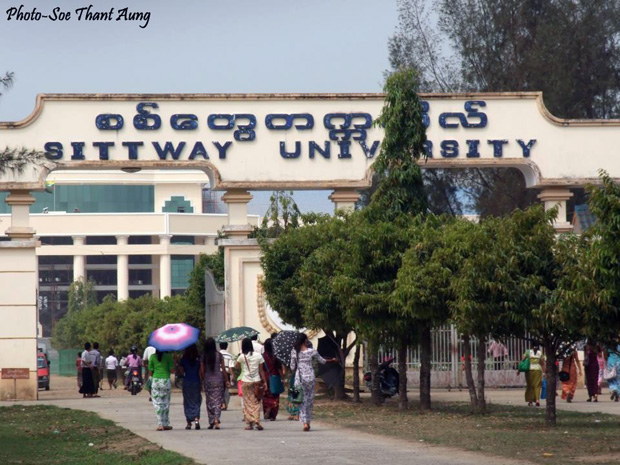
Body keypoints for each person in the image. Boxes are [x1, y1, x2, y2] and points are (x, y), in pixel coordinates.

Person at [290, 333, 338, 431]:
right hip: (310, 378)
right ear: (305, 341)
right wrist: (332, 360)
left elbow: (292, 367)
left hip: (299, 378)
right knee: (309, 400)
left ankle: (304, 422)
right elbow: (322, 361)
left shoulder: (294, 352)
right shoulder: (312, 351)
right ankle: (308, 421)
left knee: (301, 400)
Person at [235, 337, 268, 431]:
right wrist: (264, 381)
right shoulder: (258, 356)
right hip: (256, 381)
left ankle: (249, 423)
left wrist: (240, 359)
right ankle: (256, 419)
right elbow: (261, 370)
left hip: (245, 381)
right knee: (256, 401)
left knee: (247, 402)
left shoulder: (242, 356)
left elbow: (236, 366)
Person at [200, 337, 229, 429]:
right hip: (219, 380)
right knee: (218, 400)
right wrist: (226, 380)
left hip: (208, 380)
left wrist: (202, 379)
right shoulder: (219, 355)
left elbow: (202, 369)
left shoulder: (204, 356)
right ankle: (217, 418)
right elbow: (223, 369)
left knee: (209, 401)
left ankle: (211, 420)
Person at [148, 348, 174, 431]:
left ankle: (160, 424)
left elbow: (150, 372)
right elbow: (172, 370)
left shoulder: (152, 357)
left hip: (156, 381)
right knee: (166, 403)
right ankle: (166, 424)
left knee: (157, 403)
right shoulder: (169, 357)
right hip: (166, 381)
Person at [179, 344, 202, 430]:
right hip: (196, 381)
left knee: (187, 401)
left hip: (187, 382)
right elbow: (201, 371)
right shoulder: (198, 359)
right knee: (196, 400)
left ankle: (189, 422)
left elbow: (181, 371)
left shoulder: (184, 359)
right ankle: (196, 419)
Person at [262, 338, 284, 421]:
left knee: (266, 396)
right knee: (275, 395)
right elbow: (279, 368)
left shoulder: (262, 356)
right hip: (275, 377)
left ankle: (267, 408)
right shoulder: (276, 356)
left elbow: (260, 368)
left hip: (265, 377)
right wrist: (282, 378)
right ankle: (273, 414)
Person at [522, 342, 544, 407]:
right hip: (538, 370)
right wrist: (545, 372)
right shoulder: (540, 353)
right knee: (537, 386)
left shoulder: (528, 352)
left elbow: (523, 360)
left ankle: (530, 401)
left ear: (531, 346)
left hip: (529, 370)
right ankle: (537, 400)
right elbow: (542, 363)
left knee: (530, 385)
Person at [219, 342, 234, 410]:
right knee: (226, 389)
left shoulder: (217, 354)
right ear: (227, 347)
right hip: (226, 373)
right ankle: (225, 403)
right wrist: (232, 375)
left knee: (219, 389)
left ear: (219, 346)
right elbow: (230, 367)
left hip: (218, 373)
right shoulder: (229, 355)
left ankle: (222, 403)